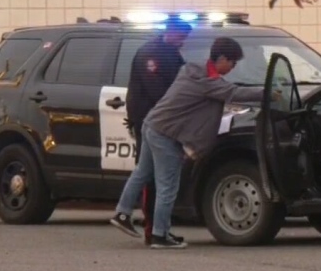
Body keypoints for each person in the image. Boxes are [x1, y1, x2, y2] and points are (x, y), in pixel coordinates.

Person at [109, 37, 263, 249]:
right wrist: (268, 94)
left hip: (153, 124)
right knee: (168, 186)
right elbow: (233, 93)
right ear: (223, 58)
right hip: (166, 134)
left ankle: (122, 213)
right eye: (233, 62)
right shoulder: (208, 81)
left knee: (142, 173)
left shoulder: (193, 69)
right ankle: (159, 235)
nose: (233, 67)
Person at [125, 19, 192, 245]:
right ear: (171, 32)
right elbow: (160, 93)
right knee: (153, 179)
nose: (183, 42)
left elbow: (184, 80)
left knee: (153, 175)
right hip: (152, 123)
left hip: (165, 124)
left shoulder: (172, 53)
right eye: (181, 36)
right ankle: (152, 228)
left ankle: (160, 229)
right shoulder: (151, 54)